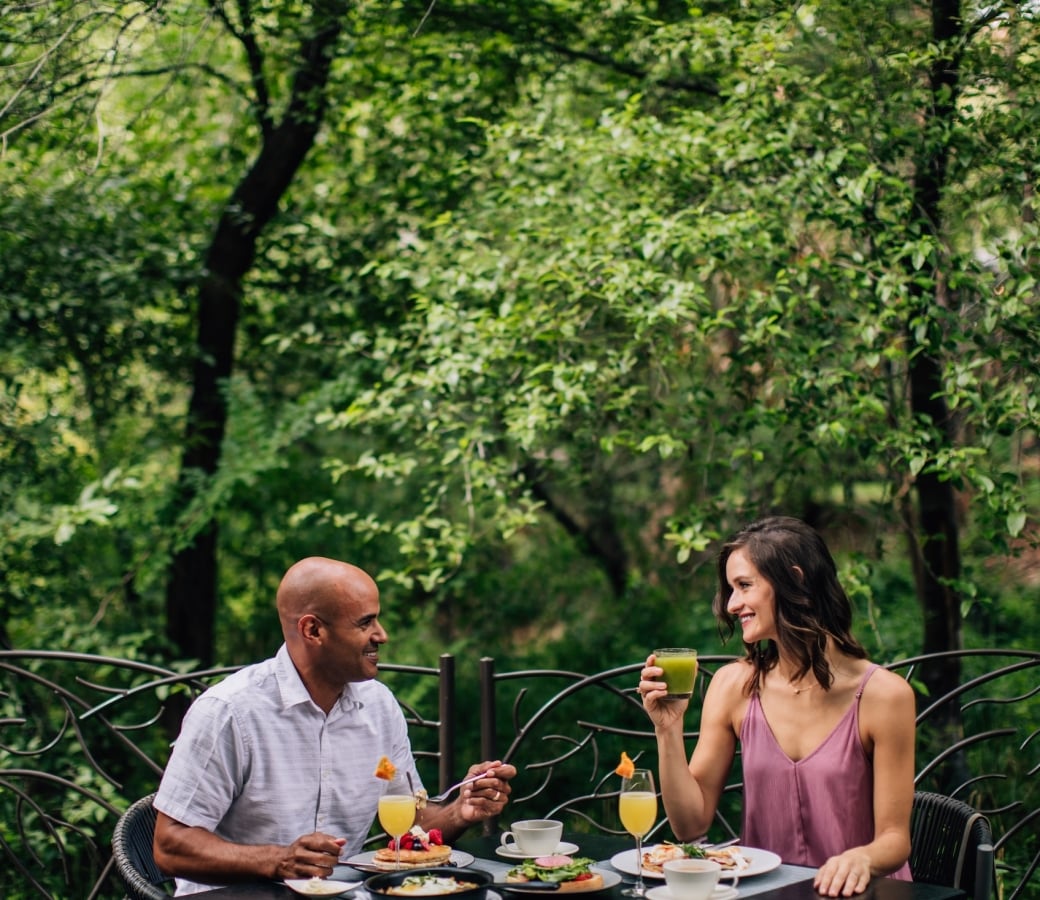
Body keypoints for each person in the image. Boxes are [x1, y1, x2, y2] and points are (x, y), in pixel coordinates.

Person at [153, 557, 516, 895]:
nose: (382, 635)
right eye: (365, 622)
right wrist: (276, 861)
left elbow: (410, 819)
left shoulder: (378, 707)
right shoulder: (229, 712)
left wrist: (460, 810)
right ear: (312, 630)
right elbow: (170, 846)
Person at [638, 516, 915, 898]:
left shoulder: (884, 695)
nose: (732, 604)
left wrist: (863, 859)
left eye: (744, 586)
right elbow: (690, 824)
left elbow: (895, 839)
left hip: (862, 893)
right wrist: (667, 729)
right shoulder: (733, 685)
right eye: (730, 589)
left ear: (795, 579)